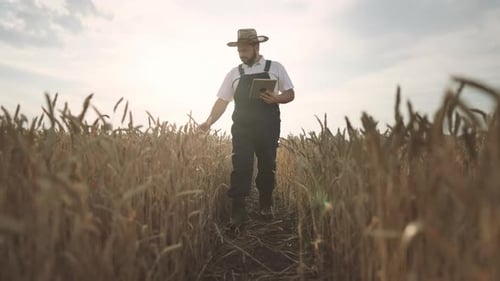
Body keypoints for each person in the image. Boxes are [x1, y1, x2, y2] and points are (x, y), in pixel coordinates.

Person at [199, 28, 295, 224]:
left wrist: (276, 98)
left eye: (245, 50)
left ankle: (265, 204)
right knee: (241, 165)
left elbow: (290, 94)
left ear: (256, 47)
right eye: (239, 51)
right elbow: (222, 101)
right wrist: (208, 122)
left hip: (268, 124)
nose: (242, 54)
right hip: (242, 127)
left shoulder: (275, 67)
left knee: (267, 165)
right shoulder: (234, 73)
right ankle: (238, 211)